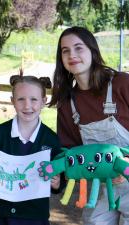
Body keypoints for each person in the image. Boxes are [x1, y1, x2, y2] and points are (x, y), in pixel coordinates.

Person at [50, 26, 129, 225]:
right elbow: (71, 152)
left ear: (93, 51)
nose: (72, 55)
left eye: (78, 48)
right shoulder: (68, 103)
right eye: (65, 50)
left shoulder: (122, 84)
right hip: (99, 188)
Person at [0, 74, 65, 225]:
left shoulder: (51, 139)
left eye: (34, 99)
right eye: (21, 99)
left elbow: (61, 175)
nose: (27, 106)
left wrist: (57, 183)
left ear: (44, 102)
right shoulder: (0, 133)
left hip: (34, 216)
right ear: (12, 102)